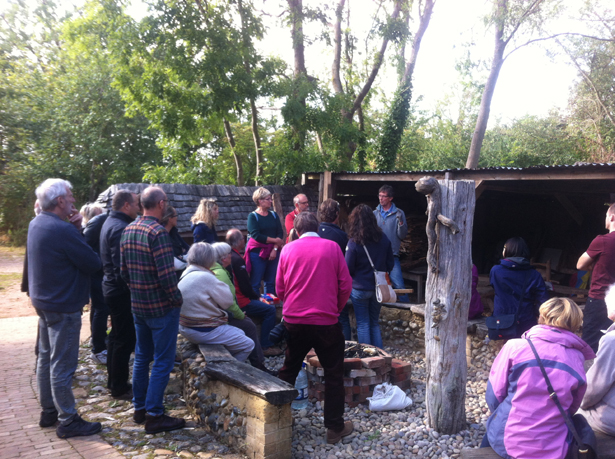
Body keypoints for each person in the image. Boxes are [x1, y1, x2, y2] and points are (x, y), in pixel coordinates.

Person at [28, 178, 103, 438]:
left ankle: (49, 411)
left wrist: (74, 229)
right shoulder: (63, 230)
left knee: (46, 359)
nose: (73, 200)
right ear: (60, 201)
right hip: (63, 305)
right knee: (62, 365)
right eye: (70, 196)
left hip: (44, 302)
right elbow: (92, 262)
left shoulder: (36, 222)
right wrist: (77, 229)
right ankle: (68, 420)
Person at [275, 212, 354, 444]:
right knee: (333, 373)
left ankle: (279, 421)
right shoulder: (332, 248)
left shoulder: (287, 250)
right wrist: (335, 309)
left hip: (295, 322)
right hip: (326, 322)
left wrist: (290, 307)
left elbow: (280, 288)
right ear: (317, 227)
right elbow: (345, 284)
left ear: (297, 231)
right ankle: (334, 427)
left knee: (288, 370)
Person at [483, 297, 595, 459]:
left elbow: (494, 397)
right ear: (576, 325)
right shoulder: (577, 357)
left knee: (491, 432)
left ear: (541, 317)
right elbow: (572, 406)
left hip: (509, 443)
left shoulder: (514, 346)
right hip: (555, 447)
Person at [120, 186, 186, 434]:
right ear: (160, 204)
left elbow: (123, 272)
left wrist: (138, 291)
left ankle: (139, 409)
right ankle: (155, 415)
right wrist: (176, 299)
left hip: (138, 307)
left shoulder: (128, 229)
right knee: (162, 361)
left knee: (141, 357)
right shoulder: (157, 232)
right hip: (161, 308)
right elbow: (166, 276)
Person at [178, 243, 254, 362]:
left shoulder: (185, 273)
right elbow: (227, 301)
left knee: (239, 332)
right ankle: (231, 371)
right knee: (248, 344)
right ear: (209, 259)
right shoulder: (206, 277)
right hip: (201, 330)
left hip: (185, 327)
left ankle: (228, 361)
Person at [210, 242, 278, 370]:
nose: (231, 256)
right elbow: (231, 300)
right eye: (228, 254)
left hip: (217, 314)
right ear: (224, 257)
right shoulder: (225, 270)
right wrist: (242, 313)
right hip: (231, 310)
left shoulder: (217, 268)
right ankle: (263, 351)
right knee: (264, 315)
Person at [99, 190, 140, 400]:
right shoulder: (120, 228)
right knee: (124, 339)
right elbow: (120, 267)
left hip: (112, 289)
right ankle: (119, 386)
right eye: (136, 204)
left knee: (116, 337)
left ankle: (114, 382)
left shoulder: (110, 222)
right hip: (119, 291)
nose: (138, 207)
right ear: (126, 205)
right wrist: (132, 288)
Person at [342, 204, 394, 347]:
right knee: (374, 323)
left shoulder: (354, 242)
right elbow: (390, 263)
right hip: (379, 287)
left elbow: (347, 268)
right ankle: (381, 357)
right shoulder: (383, 239)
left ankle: (368, 358)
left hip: (359, 287)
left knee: (363, 324)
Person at [226, 229, 282, 357]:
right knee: (270, 311)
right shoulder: (237, 260)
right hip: (241, 301)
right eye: (243, 239)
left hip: (233, 299)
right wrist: (256, 297)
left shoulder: (228, 256)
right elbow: (245, 286)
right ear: (240, 241)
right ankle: (265, 345)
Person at [490, 237, 549, 338]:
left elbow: (494, 286)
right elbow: (543, 299)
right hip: (525, 320)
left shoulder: (496, 271)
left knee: (505, 349)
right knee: (525, 349)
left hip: (501, 321)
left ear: (507, 251)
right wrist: (537, 315)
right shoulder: (534, 274)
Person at [577, 204, 615, 352]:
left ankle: (589, 374)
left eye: (606, 215)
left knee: (590, 345)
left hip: (600, 299)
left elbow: (580, 264)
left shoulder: (603, 240)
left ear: (612, 217)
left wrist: (595, 266)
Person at [578, 283, 615, 435]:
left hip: (609, 420)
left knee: (564, 410)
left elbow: (593, 390)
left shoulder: (612, 340)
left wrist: (579, 403)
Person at [374, 185, 409, 303]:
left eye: (384, 196)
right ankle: (379, 307)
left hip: (393, 255)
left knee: (398, 284)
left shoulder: (399, 213)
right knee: (376, 283)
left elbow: (402, 235)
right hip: (377, 255)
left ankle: (407, 308)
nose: (381, 198)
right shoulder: (374, 214)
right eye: (380, 196)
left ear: (390, 198)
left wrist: (401, 223)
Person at [84, 207, 110, 365]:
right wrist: (99, 263)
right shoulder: (96, 223)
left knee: (98, 308)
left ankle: (97, 340)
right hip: (97, 273)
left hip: (98, 272)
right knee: (101, 309)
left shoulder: (101, 222)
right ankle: (98, 349)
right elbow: (85, 246)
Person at [246, 187, 284, 295]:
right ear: (260, 201)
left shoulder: (273, 215)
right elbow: (256, 235)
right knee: (255, 283)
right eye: (268, 199)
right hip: (257, 253)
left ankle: (271, 306)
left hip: (273, 251)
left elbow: (280, 232)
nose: (271, 201)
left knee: (270, 282)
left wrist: (275, 248)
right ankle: (257, 307)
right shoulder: (253, 217)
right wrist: (275, 241)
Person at [161, 205, 190, 279]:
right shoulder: (161, 236)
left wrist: (181, 256)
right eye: (175, 215)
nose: (177, 217)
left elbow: (189, 249)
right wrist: (185, 260)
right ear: (170, 218)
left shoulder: (174, 232)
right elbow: (175, 263)